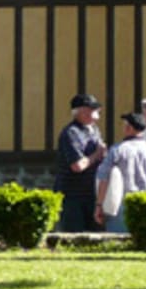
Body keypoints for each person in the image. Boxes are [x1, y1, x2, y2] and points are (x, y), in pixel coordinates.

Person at [96, 111, 146, 234]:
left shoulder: (117, 150)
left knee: (118, 241)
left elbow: (104, 178)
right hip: (145, 202)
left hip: (120, 204)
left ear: (128, 128)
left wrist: (99, 205)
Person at [52, 93, 105, 233]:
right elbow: (77, 165)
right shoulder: (71, 133)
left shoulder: (94, 130)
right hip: (72, 196)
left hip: (91, 193)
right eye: (92, 110)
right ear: (81, 112)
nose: (96, 114)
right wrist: (96, 155)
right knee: (74, 235)